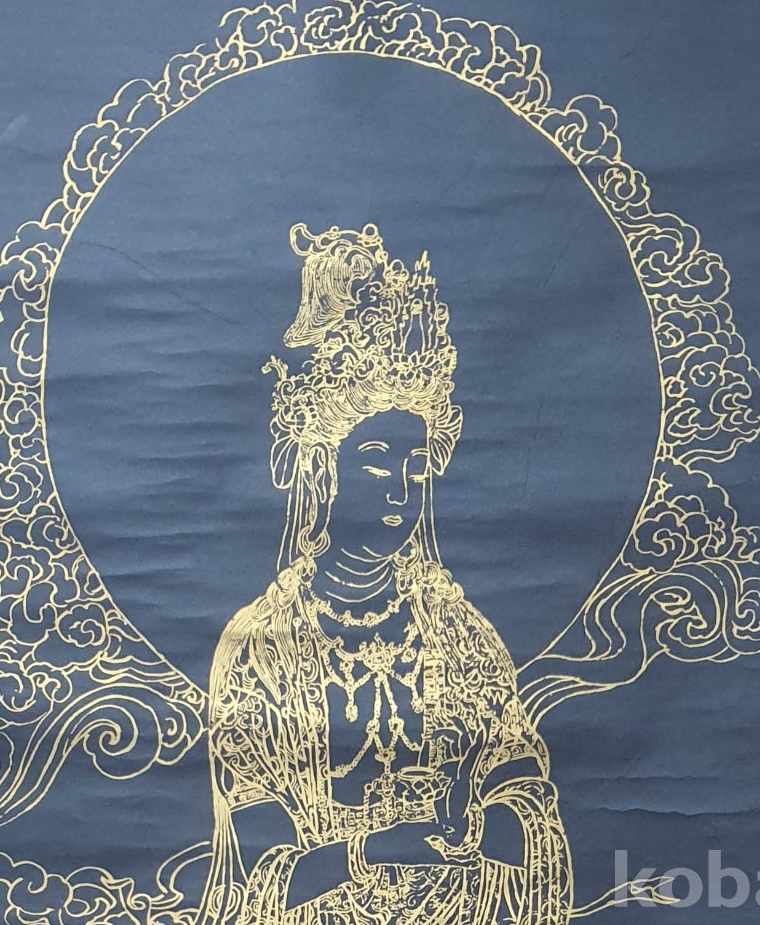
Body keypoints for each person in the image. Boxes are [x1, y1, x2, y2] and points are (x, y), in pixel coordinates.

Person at [197, 223, 572, 925]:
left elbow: (526, 798)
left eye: (417, 465)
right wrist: (375, 850)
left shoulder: (460, 635)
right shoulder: (259, 649)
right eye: (375, 461)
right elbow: (258, 866)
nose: (401, 489)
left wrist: (476, 823)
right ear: (322, 470)